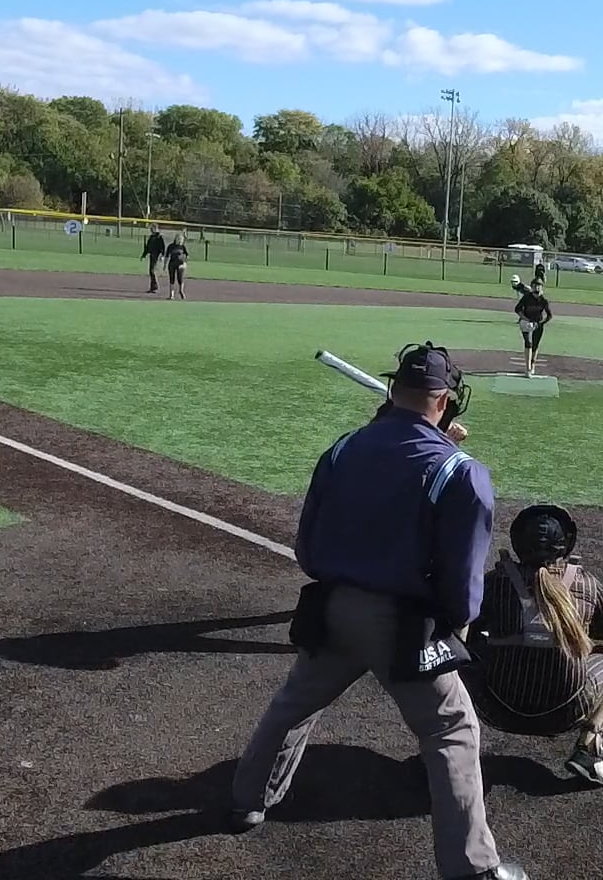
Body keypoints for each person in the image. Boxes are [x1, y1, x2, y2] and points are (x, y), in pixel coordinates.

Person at [229, 343, 527, 880]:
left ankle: (248, 799)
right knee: (452, 730)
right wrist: (453, 629)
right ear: (447, 401)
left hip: (333, 609)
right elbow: (462, 584)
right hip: (405, 627)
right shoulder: (461, 472)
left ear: (393, 390)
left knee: (294, 705)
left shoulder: (343, 449)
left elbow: (307, 550)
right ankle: (473, 867)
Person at [463, 504, 603, 789]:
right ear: (566, 544)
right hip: (567, 711)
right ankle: (589, 751)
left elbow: (466, 624)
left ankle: (454, 745)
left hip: (497, 707)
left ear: (518, 543)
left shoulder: (496, 582)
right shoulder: (586, 584)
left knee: (458, 654)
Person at [510, 276, 553, 376]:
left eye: (539, 286)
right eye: (535, 285)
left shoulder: (543, 300)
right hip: (526, 324)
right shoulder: (527, 297)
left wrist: (540, 323)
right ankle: (528, 368)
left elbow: (549, 315)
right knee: (528, 343)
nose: (537, 287)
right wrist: (525, 319)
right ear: (532, 287)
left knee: (535, 345)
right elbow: (517, 309)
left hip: (538, 324)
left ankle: (533, 363)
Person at [140, 225, 166, 294]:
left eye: (152, 229)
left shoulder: (159, 237)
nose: (151, 230)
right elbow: (148, 247)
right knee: (151, 271)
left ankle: (155, 287)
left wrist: (162, 255)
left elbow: (163, 247)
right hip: (152, 255)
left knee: (152, 271)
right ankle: (152, 287)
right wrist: (144, 255)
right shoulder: (151, 237)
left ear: (156, 229)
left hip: (156, 255)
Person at [164, 232, 189, 301]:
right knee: (172, 279)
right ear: (175, 239)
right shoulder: (171, 246)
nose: (180, 240)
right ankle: (171, 295)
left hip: (180, 265)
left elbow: (187, 255)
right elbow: (167, 256)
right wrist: (165, 265)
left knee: (180, 279)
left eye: (181, 239)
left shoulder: (183, 247)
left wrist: (185, 262)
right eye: (178, 239)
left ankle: (181, 291)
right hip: (172, 264)